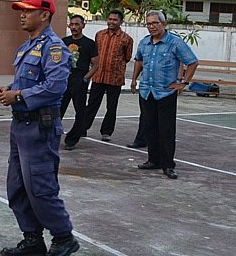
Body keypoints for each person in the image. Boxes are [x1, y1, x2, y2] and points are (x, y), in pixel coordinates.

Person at [0, 0, 79, 256]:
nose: (22, 15)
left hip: (40, 127)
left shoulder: (54, 48)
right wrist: (9, 90)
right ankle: (32, 238)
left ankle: (63, 236)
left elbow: (55, 86)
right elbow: (27, 83)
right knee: (17, 186)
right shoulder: (26, 47)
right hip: (21, 125)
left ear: (44, 15)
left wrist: (18, 95)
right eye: (21, 10)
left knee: (40, 187)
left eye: (28, 10)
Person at [131, 10, 198, 180]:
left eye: (155, 23)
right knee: (149, 127)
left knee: (166, 130)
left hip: (165, 93)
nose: (151, 26)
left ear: (164, 23)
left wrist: (184, 83)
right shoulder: (144, 43)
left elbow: (192, 61)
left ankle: (168, 165)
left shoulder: (174, 42)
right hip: (146, 91)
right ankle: (153, 160)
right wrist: (134, 80)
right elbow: (139, 60)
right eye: (148, 24)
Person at [63, 9, 133, 149]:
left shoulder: (126, 39)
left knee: (111, 106)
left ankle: (106, 131)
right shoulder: (99, 35)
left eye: (115, 20)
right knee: (91, 104)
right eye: (110, 19)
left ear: (120, 22)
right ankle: (83, 128)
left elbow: (127, 57)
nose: (112, 22)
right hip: (98, 76)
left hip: (114, 77)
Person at [60, 14, 98, 137]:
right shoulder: (64, 42)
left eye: (77, 24)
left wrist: (85, 78)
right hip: (65, 79)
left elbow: (96, 65)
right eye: (72, 24)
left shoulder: (89, 43)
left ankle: (74, 136)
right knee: (59, 108)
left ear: (83, 26)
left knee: (80, 110)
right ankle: (52, 133)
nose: (74, 27)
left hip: (79, 79)